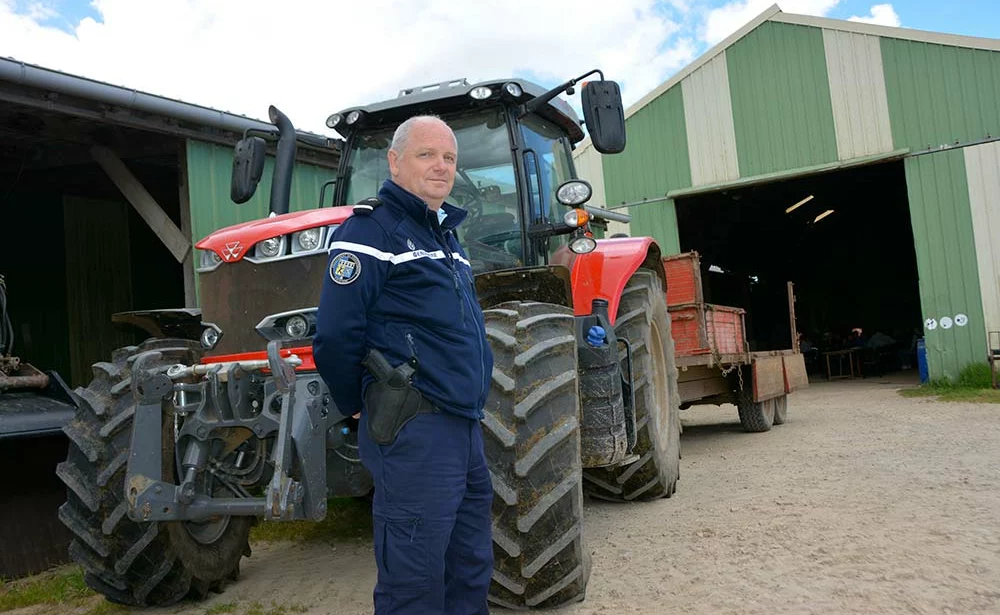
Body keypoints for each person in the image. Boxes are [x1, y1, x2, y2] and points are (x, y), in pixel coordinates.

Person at [313, 115, 495, 615]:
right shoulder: (371, 231)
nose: (441, 167)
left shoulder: (447, 239)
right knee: (414, 579)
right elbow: (333, 335)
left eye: (450, 158)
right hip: (415, 426)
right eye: (427, 155)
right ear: (394, 162)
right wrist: (355, 405)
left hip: (463, 426)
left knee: (470, 565)